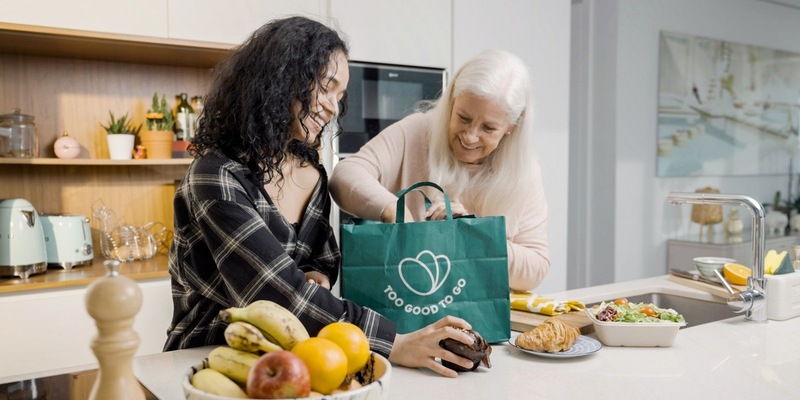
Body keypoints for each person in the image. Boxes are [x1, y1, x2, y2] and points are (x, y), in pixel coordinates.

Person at [163, 16, 476, 378]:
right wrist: (396, 342)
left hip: (296, 359)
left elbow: (322, 258)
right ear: (281, 80)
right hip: (207, 361)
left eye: (340, 96)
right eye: (326, 88)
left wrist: (317, 275)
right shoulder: (216, 177)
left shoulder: (311, 171)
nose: (332, 108)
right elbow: (279, 294)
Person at [329, 49, 550, 293]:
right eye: (463, 118)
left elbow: (535, 270)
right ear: (452, 100)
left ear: (511, 126)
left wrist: (472, 233)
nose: (470, 136)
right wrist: (394, 210)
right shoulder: (416, 132)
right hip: (406, 313)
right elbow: (345, 175)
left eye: (488, 128)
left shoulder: (524, 172)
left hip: (481, 321)